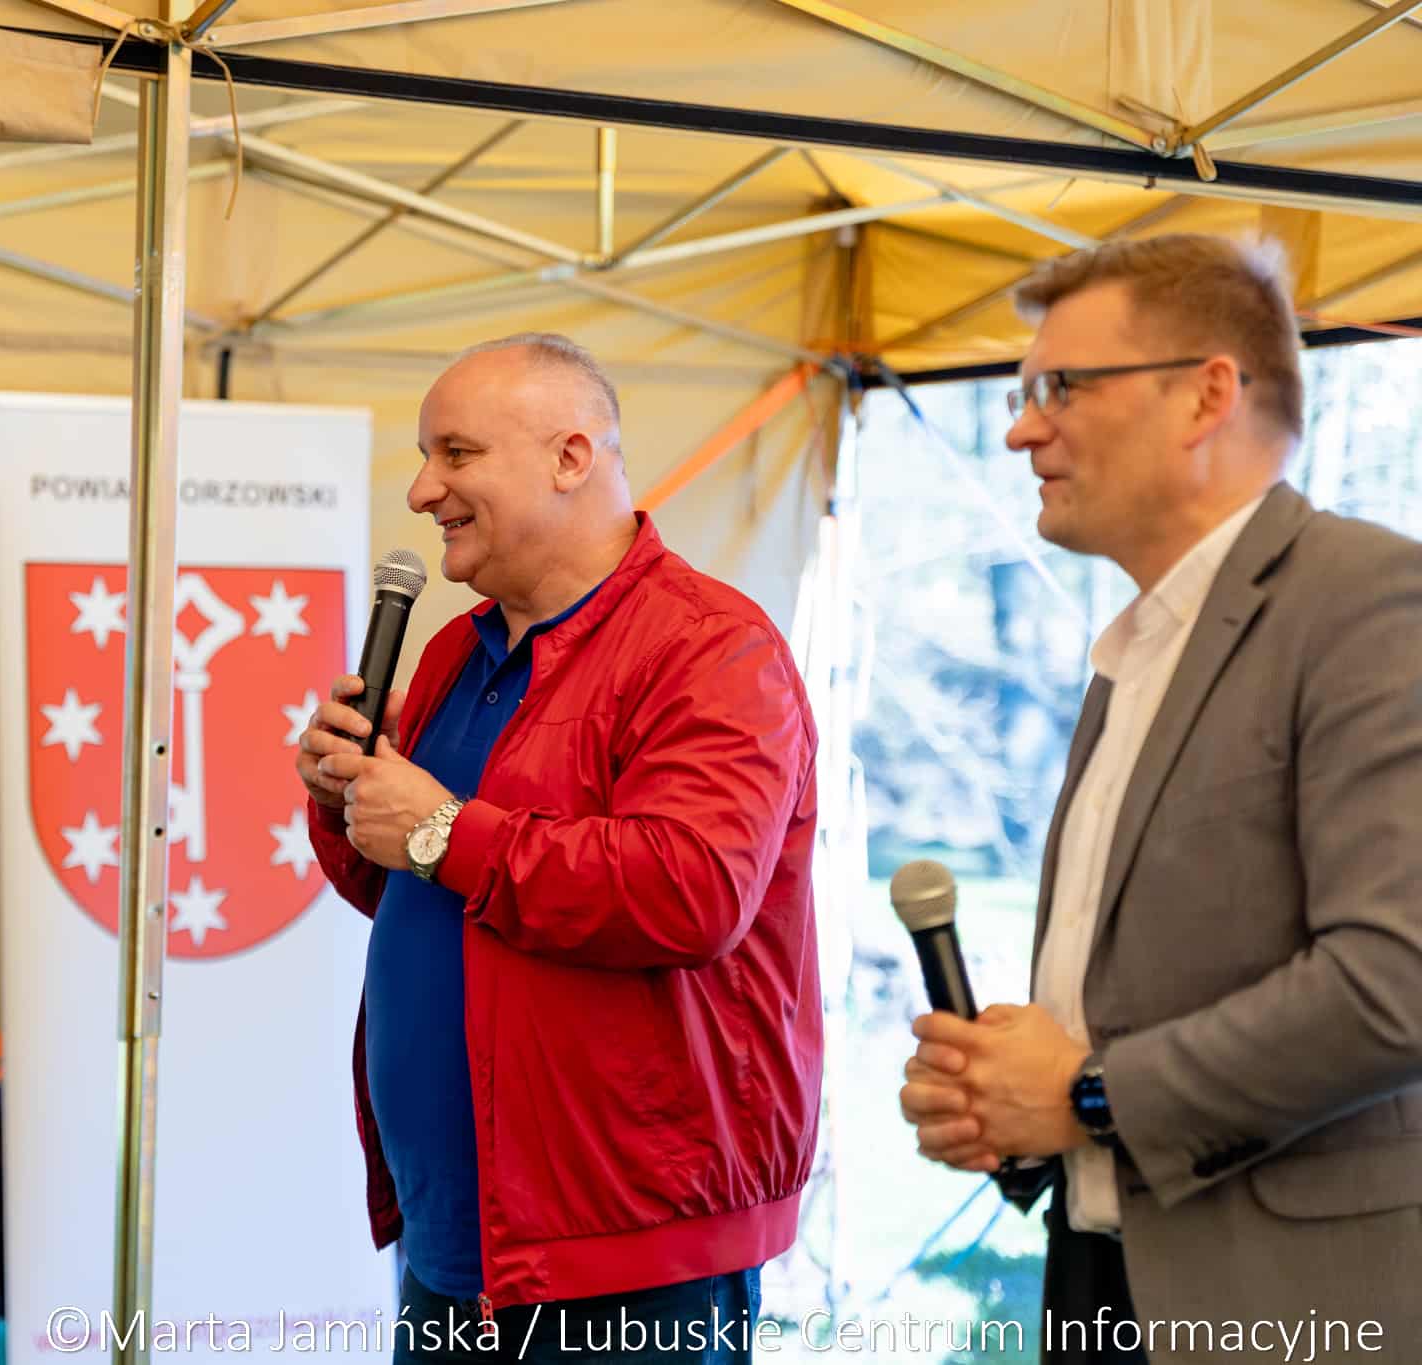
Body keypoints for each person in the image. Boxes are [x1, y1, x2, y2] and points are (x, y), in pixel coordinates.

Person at [897, 234, 1422, 1364]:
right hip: (1099, 1279)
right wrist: (1012, 1110)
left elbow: (1397, 980)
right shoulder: (1130, 651)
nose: (1018, 427)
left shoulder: (1368, 601)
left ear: (1204, 395)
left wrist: (1088, 1098)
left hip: (1285, 1305)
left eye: (1057, 388)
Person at [293, 334, 822, 1363]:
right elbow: (425, 894)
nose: (419, 490)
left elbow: (689, 893)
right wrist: (349, 802)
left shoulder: (710, 649)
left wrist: (440, 828)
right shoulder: (458, 647)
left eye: (454, 454)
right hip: (460, 1235)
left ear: (570, 458)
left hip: (623, 1255)